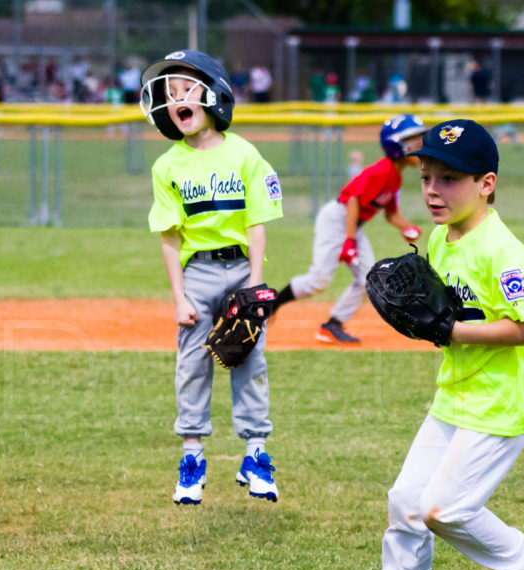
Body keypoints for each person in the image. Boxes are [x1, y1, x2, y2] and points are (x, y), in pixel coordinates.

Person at [346, 119, 524, 570]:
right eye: (425, 177)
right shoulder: (441, 240)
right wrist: (430, 322)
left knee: (444, 509)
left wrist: (453, 329)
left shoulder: (502, 251)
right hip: (456, 395)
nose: (433, 191)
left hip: (499, 403)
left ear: (486, 183)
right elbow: (442, 317)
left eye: (450, 179)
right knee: (405, 501)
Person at [140, 50, 283, 505]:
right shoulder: (167, 166)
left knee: (249, 358)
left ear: (214, 95)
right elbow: (169, 238)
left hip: (240, 266)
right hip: (198, 271)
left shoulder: (245, 154)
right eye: (168, 93)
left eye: (185, 90)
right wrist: (178, 297)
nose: (175, 98)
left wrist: (256, 285)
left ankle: (255, 454)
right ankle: (192, 458)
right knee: (192, 363)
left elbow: (256, 223)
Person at [273, 115, 426, 344]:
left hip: (351, 224)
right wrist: (349, 240)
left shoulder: (395, 176)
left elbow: (390, 213)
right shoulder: (382, 170)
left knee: (370, 279)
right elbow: (353, 199)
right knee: (320, 280)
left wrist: (406, 227)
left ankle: (332, 325)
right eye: (415, 140)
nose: (420, 145)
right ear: (397, 144)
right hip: (338, 219)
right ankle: (271, 304)